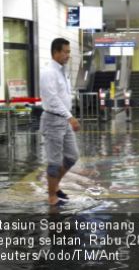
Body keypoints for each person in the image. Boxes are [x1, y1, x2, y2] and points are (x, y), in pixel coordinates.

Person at [40, 38, 81, 206]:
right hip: (53, 119)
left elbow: (63, 96)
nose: (68, 55)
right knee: (54, 161)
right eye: (65, 52)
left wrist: (68, 116)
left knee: (72, 156)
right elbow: (52, 99)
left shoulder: (62, 71)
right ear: (55, 52)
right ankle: (51, 197)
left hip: (63, 119)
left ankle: (55, 186)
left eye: (69, 52)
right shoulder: (48, 72)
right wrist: (70, 116)